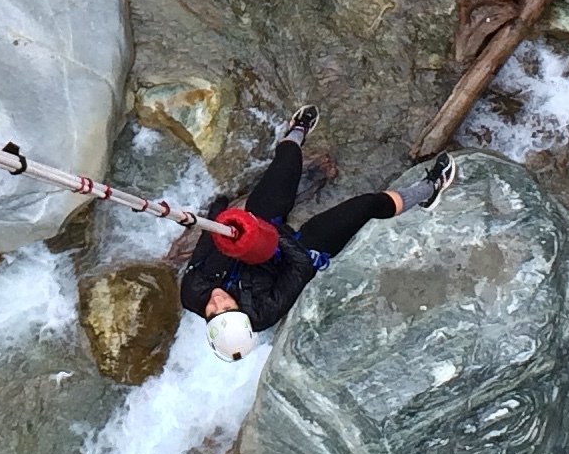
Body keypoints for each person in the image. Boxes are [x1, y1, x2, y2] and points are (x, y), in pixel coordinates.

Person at [179, 109, 445, 360]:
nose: (217, 301)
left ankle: (297, 131)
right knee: (364, 206)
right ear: (240, 313)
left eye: (212, 312)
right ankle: (428, 189)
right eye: (227, 308)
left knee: (284, 166)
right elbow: (302, 267)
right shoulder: (263, 312)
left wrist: (218, 215)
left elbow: (206, 247)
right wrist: (271, 234)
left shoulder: (192, 293)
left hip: (249, 234)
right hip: (294, 254)